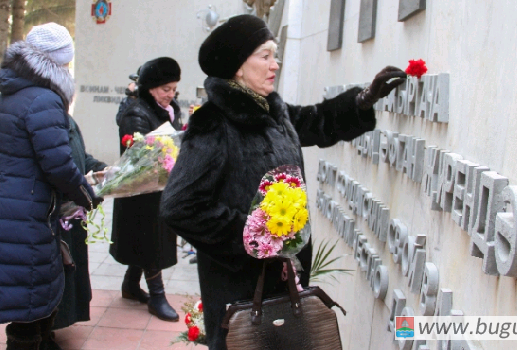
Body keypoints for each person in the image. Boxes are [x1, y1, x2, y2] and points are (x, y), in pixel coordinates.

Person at [159, 15, 407, 350]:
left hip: (287, 280)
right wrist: (254, 236)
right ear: (237, 67)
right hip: (241, 288)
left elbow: (317, 121)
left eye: (275, 54)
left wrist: (364, 99)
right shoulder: (214, 124)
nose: (275, 64)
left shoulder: (272, 110)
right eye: (265, 56)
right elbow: (179, 206)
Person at [0, 23, 102, 349]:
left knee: (27, 300)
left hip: (10, 208)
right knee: (29, 307)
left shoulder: (14, 91)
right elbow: (58, 165)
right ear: (56, 62)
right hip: (26, 214)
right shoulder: (44, 98)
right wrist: (87, 196)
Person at [110, 57, 183, 322]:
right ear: (151, 88)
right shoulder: (136, 113)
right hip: (141, 192)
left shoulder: (168, 109)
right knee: (150, 241)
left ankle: (130, 285)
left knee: (145, 240)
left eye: (174, 89)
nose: (171, 95)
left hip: (159, 188)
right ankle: (157, 296)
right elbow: (139, 155)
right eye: (166, 89)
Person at [51, 115, 107, 336]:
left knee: (72, 267)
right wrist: (85, 191)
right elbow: (59, 167)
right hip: (56, 210)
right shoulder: (46, 119)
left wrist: (102, 169)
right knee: (56, 272)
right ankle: (46, 330)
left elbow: (81, 157)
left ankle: (61, 319)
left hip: (73, 210)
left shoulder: (69, 120)